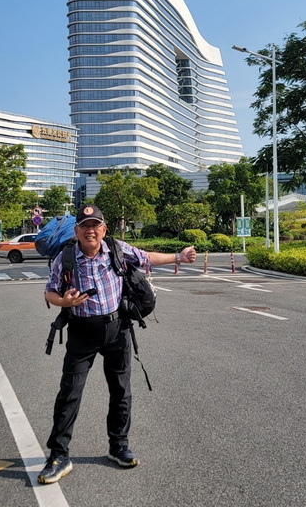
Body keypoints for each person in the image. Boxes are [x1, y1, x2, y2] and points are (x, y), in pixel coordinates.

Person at [38, 204, 197, 484]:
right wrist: (64, 301)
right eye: (85, 226)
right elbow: (50, 292)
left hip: (117, 329)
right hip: (81, 332)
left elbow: (146, 257)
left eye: (95, 225)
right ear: (77, 231)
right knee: (69, 394)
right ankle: (59, 455)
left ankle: (118, 445)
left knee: (121, 391)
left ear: (103, 229)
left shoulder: (117, 250)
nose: (90, 231)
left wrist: (178, 256)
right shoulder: (66, 257)